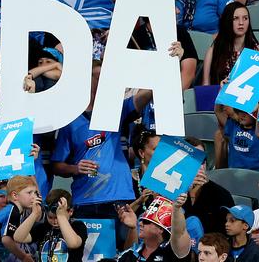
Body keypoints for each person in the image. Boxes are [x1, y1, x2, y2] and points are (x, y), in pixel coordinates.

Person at [51, 60, 153, 218]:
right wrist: (76, 168)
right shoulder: (71, 120)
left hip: (119, 197)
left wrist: (171, 61)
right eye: (97, 77)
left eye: (105, 77)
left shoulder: (116, 110)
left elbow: (148, 92)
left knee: (124, 242)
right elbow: (57, 165)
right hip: (85, 199)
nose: (102, 82)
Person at [13, 189, 87, 261]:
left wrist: (61, 216)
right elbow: (18, 238)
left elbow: (73, 244)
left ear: (70, 211)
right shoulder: (43, 227)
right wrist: (34, 214)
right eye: (50, 217)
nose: (55, 221)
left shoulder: (77, 226)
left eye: (57, 218)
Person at [117, 195, 191, 262]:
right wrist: (133, 228)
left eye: (146, 222)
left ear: (161, 229)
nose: (140, 224)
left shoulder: (172, 252)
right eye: (141, 220)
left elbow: (180, 234)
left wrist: (177, 209)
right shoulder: (129, 254)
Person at [203, 2, 259, 85]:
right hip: (218, 96)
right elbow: (206, 86)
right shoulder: (213, 51)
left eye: (245, 18)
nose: (241, 23)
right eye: (235, 18)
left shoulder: (258, 51)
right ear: (227, 20)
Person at [215, 104, 259, 170]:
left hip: (256, 176)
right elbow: (218, 111)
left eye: (247, 112)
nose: (242, 115)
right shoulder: (232, 125)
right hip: (234, 175)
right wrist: (222, 94)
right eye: (239, 111)